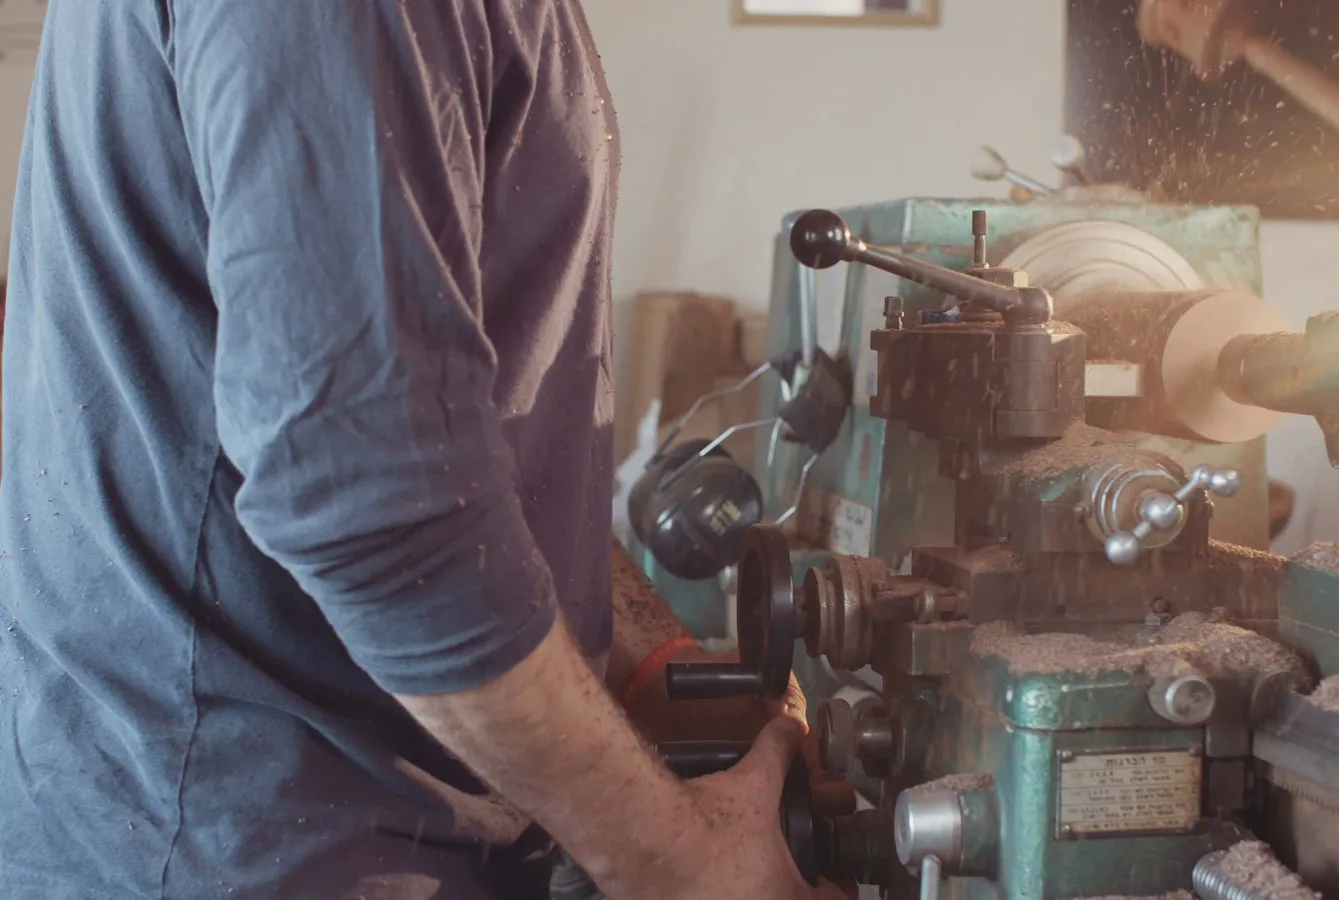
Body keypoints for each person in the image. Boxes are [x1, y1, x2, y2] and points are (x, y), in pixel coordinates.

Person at [0, 2, 842, 898]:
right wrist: (684, 864)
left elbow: (451, 440)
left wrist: (651, 660)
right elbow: (371, 498)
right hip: (250, 843)